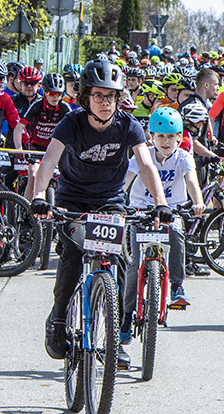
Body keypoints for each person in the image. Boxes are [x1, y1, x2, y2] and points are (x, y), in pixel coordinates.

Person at [30, 58, 171, 360]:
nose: (105, 102)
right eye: (98, 95)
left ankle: (112, 337)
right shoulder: (72, 123)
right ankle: (57, 319)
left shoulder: (128, 125)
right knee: (73, 254)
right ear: (86, 97)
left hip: (109, 200)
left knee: (117, 260)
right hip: (72, 200)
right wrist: (40, 195)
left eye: (111, 96)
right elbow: (49, 161)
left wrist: (161, 203)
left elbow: (146, 165)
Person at [121, 107, 206, 368]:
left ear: (179, 137)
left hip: (173, 211)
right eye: (160, 136)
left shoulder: (184, 157)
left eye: (171, 137)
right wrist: (116, 202)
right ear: (151, 136)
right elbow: (126, 182)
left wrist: (198, 202)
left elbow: (192, 181)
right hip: (141, 211)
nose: (166, 142)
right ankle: (125, 318)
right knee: (134, 265)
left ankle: (178, 286)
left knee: (178, 232)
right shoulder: (141, 156)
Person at [13, 73, 72, 199]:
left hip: (55, 149)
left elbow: (75, 131)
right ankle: (27, 210)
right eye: (51, 93)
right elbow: (19, 128)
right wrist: (19, 148)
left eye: (59, 94)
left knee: (65, 178)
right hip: (36, 148)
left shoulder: (64, 107)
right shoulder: (37, 105)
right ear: (44, 92)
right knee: (34, 176)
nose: (55, 97)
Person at [0, 60, 21, 150]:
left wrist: (26, 142)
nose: (2, 81)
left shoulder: (4, 98)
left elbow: (16, 123)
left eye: (4, 78)